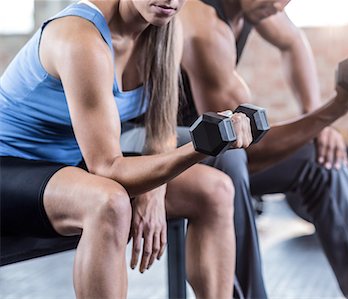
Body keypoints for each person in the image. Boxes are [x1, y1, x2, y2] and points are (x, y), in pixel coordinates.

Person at [0, 0, 257, 298]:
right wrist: (201, 148)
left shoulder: (167, 33)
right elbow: (107, 168)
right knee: (108, 203)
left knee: (215, 191)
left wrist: (154, 191)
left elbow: (160, 130)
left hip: (69, 166)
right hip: (9, 165)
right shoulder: (80, 37)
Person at [177, 0, 348, 298]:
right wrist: (330, 113)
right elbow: (237, 146)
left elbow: (294, 42)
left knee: (322, 159)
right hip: (171, 157)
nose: (278, 4)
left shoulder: (258, 7)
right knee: (231, 162)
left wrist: (315, 117)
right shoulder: (203, 29)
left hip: (220, 148)